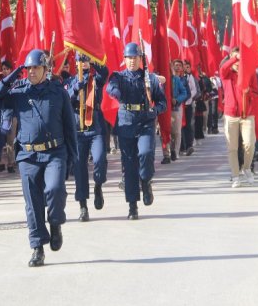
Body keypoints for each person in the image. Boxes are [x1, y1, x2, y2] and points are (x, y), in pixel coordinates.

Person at [0, 49, 77, 267]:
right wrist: (10, 78)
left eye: (35, 67)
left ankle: (55, 223)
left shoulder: (58, 92)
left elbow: (69, 127)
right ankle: (37, 248)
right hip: (28, 155)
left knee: (54, 189)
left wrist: (72, 158)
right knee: (32, 204)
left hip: (55, 152)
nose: (31, 72)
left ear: (45, 69)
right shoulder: (18, 92)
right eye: (28, 68)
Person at [106, 43, 167, 220]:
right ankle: (132, 205)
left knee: (146, 153)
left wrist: (155, 111)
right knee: (129, 165)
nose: (132, 61)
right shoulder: (118, 77)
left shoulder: (150, 78)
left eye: (135, 57)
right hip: (126, 122)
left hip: (145, 122)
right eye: (129, 57)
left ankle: (146, 181)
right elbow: (111, 88)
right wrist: (116, 92)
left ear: (141, 59)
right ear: (124, 59)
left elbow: (163, 103)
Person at [65, 52, 109, 222]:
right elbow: (66, 98)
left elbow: (105, 72)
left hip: (95, 127)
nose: (83, 63)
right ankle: (83, 206)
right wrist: (77, 87)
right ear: (75, 63)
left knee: (99, 159)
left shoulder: (95, 79)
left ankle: (98, 184)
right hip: (77, 129)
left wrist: (93, 60)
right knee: (79, 169)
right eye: (80, 60)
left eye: (85, 60)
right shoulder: (70, 82)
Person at [220, 48, 257, 188]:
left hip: (247, 114)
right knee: (232, 147)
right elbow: (223, 68)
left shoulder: (249, 73)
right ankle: (235, 176)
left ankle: (246, 167)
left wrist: (249, 92)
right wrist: (234, 58)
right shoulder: (227, 74)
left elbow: (256, 91)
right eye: (236, 57)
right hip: (231, 114)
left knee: (249, 143)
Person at [161, 60, 188, 164]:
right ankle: (166, 154)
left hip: (175, 108)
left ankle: (175, 151)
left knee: (176, 132)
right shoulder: (160, 80)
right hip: (163, 109)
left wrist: (177, 99)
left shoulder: (176, 80)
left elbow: (184, 93)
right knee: (164, 131)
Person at [180, 61, 199, 156]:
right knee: (180, 127)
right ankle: (180, 147)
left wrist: (188, 97)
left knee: (188, 125)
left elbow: (194, 90)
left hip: (187, 104)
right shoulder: (177, 77)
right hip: (179, 105)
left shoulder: (189, 77)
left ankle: (188, 145)